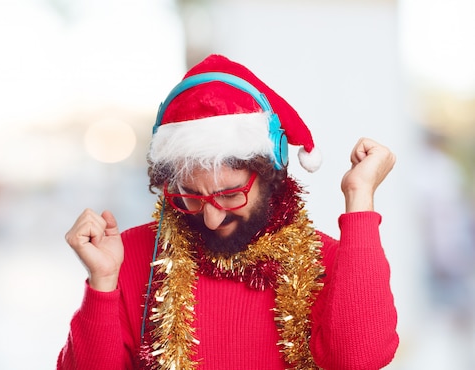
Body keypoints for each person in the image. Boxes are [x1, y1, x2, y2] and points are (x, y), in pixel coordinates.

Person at [56, 54, 398, 370]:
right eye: (190, 196)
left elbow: (359, 358)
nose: (211, 219)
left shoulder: (327, 260)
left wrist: (359, 196)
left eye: (231, 195)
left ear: (271, 173)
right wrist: (102, 283)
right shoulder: (128, 259)